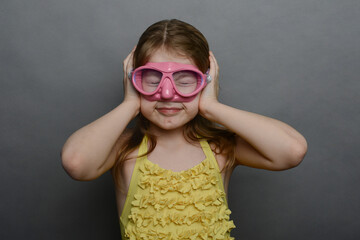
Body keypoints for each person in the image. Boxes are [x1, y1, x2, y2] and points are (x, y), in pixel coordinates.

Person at [61, 19, 307, 239]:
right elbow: (76, 162)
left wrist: (211, 107)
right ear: (134, 81)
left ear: (205, 82)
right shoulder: (125, 150)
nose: (167, 93)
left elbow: (292, 150)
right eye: (152, 80)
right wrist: (129, 104)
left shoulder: (219, 149)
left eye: (186, 81)